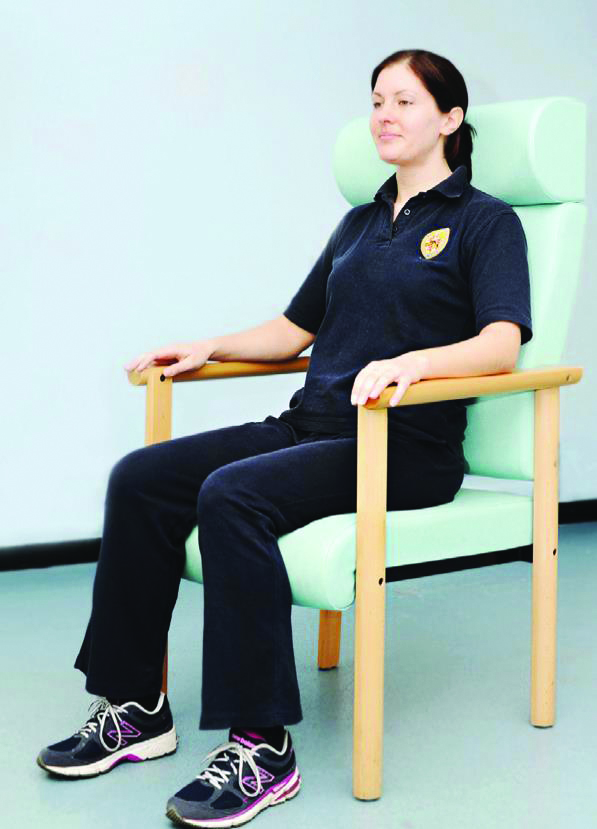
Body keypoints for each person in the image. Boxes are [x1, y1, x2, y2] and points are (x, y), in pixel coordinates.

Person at [36, 48, 532, 828]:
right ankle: (136, 704)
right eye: (375, 101)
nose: (384, 116)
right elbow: (295, 327)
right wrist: (210, 345)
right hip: (313, 425)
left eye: (404, 101)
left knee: (233, 494)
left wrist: (414, 361)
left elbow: (501, 342)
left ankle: (262, 749)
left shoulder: (485, 221)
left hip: (404, 447)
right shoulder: (360, 221)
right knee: (140, 477)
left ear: (449, 118)